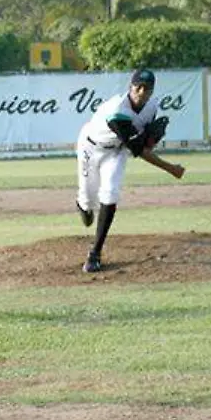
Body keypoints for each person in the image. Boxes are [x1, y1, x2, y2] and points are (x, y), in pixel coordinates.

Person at [74, 68, 185, 273]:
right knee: (88, 199)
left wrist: (151, 139)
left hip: (116, 151)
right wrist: (171, 168)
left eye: (147, 88)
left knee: (110, 193)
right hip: (90, 146)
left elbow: (143, 143)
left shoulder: (152, 107)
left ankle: (95, 254)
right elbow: (140, 150)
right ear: (130, 86)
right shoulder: (118, 110)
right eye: (138, 87)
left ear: (152, 91)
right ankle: (83, 206)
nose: (142, 92)